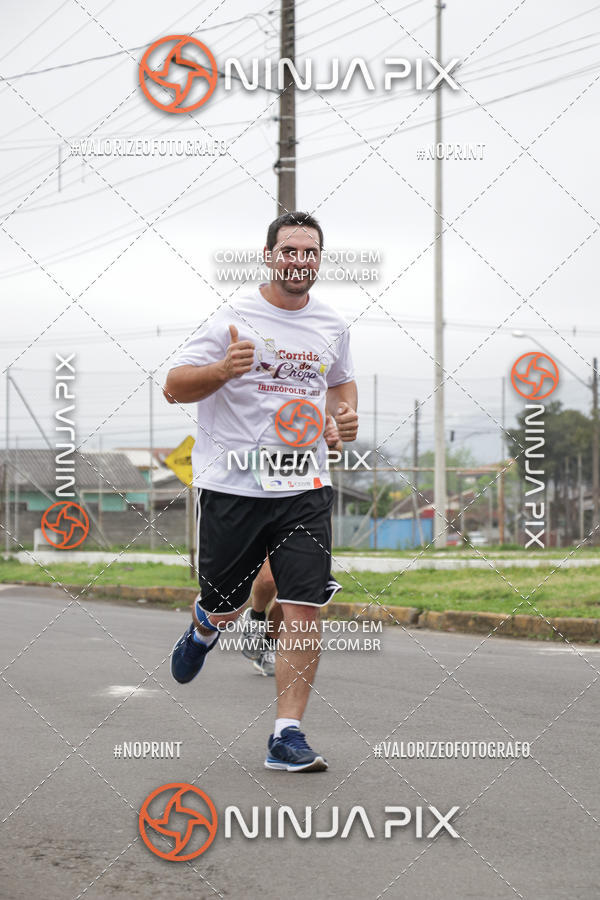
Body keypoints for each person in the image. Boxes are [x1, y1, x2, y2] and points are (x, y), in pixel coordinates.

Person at [164, 211, 358, 772]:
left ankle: (287, 735)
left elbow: (340, 384)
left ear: (320, 260)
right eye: (290, 251)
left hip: (305, 484)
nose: (300, 261)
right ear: (270, 256)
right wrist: (223, 369)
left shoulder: (332, 324)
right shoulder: (232, 316)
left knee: (303, 605)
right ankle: (205, 624)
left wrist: (343, 418)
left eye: (311, 252)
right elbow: (175, 386)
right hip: (234, 485)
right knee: (225, 603)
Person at [241, 414, 343, 677]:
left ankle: (271, 645)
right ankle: (256, 614)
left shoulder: (311, 397)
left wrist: (332, 440)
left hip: (307, 498)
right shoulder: (257, 396)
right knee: (268, 580)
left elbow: (336, 446)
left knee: (296, 590)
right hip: (260, 493)